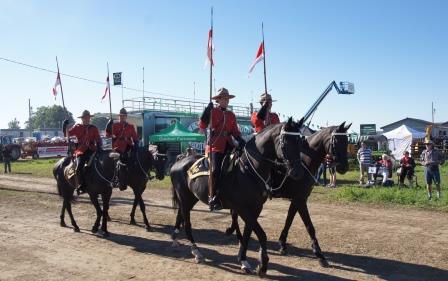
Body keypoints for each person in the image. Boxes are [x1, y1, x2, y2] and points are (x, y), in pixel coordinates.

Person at [199, 87, 245, 211]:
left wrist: (240, 139)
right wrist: (206, 112)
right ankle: (212, 197)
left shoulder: (231, 115)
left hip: (229, 145)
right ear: (218, 100)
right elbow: (202, 126)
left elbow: (234, 131)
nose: (226, 100)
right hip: (215, 146)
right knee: (215, 170)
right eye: (223, 98)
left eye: (227, 98)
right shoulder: (212, 112)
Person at [63, 110, 102, 194]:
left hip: (92, 150)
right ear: (82, 119)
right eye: (85, 118)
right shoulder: (77, 127)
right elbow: (67, 134)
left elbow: (98, 139)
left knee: (100, 164)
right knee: (80, 167)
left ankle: (100, 183)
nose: (87, 119)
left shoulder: (93, 128)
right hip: (81, 151)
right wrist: (65, 126)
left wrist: (99, 147)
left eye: (88, 118)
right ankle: (82, 185)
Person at [105, 108, 139, 190]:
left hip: (127, 146)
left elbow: (134, 137)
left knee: (135, 158)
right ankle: (117, 179)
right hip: (117, 147)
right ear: (119, 116)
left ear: (126, 117)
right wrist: (108, 125)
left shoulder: (130, 126)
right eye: (121, 116)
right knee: (118, 163)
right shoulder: (114, 125)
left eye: (123, 116)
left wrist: (136, 144)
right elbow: (108, 135)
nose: (122, 117)